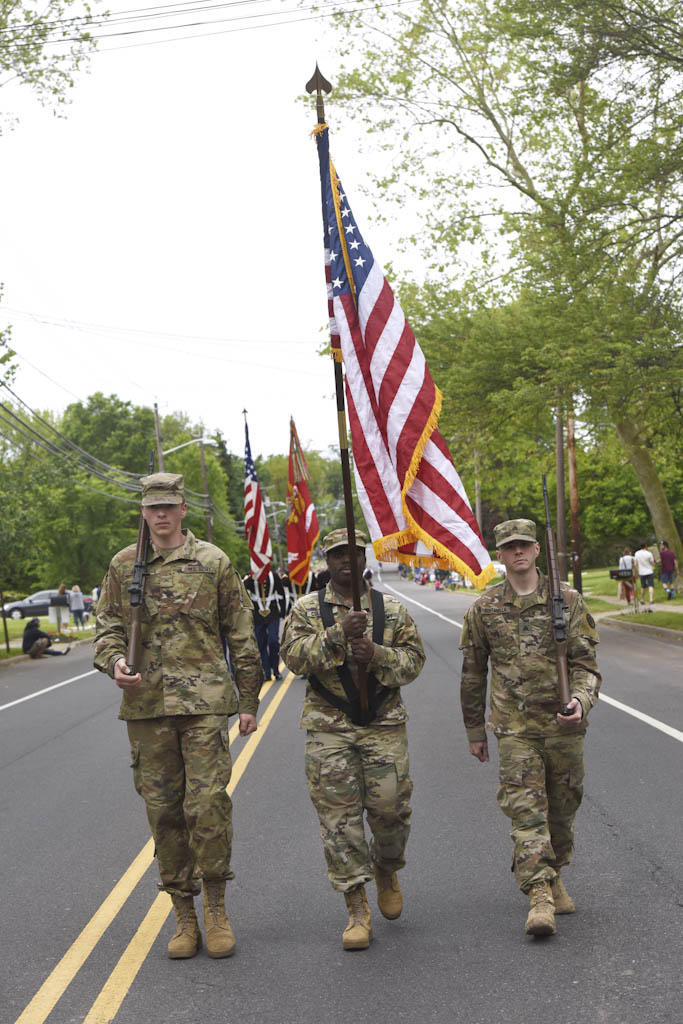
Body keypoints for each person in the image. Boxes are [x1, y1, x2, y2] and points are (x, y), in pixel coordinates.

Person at [94, 472, 263, 961]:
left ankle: (216, 908)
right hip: (147, 709)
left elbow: (241, 635)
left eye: (169, 506)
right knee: (164, 813)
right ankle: (183, 916)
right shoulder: (125, 566)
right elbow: (106, 630)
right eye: (153, 507)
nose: (161, 514)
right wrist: (115, 664)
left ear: (183, 509)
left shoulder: (213, 562)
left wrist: (249, 701)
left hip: (205, 706)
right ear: (144, 512)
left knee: (207, 806)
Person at [280, 528, 425, 951]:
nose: (347, 561)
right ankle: (357, 909)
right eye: (338, 554)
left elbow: (414, 663)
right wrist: (337, 634)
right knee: (338, 822)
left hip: (382, 723)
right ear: (327, 560)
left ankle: (387, 866)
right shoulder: (307, 608)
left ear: (365, 559)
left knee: (390, 812)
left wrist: (378, 655)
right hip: (329, 727)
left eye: (354, 554)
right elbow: (292, 658)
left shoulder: (392, 610)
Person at [460, 519, 601, 937]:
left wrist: (581, 701)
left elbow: (587, 665)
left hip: (563, 729)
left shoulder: (568, 600)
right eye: (509, 547)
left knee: (562, 810)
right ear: (499, 555)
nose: (517, 552)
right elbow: (472, 674)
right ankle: (538, 895)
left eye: (524, 545)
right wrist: (474, 730)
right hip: (514, 729)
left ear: (537, 550)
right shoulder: (483, 608)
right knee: (527, 813)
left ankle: (555, 871)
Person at [243, 568, 288, 681]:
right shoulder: (251, 579)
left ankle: (275, 669)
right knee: (261, 644)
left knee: (273, 641)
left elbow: (281, 593)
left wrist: (283, 611)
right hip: (257, 615)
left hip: (272, 613)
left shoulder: (274, 576)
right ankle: (266, 672)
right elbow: (242, 591)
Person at [634, 541, 656, 610]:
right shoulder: (649, 553)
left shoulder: (636, 553)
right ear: (645, 546)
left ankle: (642, 599)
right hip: (649, 571)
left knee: (643, 586)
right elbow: (652, 563)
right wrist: (655, 563)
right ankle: (651, 599)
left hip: (642, 572)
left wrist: (637, 572)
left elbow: (635, 564)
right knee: (651, 585)